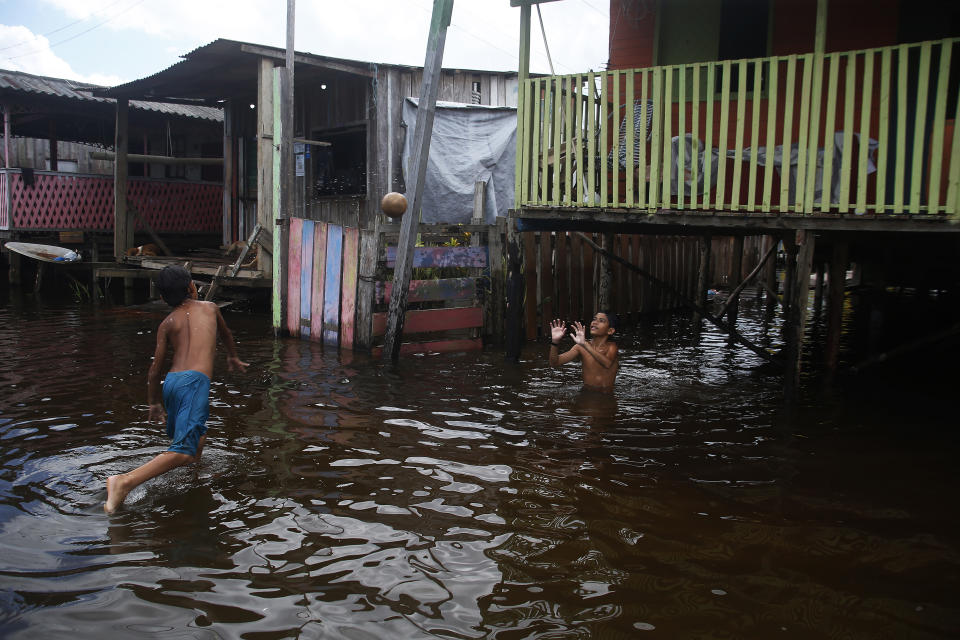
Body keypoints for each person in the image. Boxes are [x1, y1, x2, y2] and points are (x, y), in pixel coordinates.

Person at [105, 265, 248, 513]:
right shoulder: (211, 308)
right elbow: (226, 335)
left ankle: (193, 475)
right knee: (184, 451)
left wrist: (153, 402)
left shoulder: (167, 323)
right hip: (195, 383)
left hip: (172, 383)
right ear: (193, 287)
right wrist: (232, 357)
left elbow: (154, 369)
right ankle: (124, 482)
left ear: (162, 298)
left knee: (197, 432)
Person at [549, 312, 619, 393]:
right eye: (594, 319)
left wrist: (585, 345)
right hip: (587, 393)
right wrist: (555, 342)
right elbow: (554, 363)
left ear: (610, 330)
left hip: (607, 396)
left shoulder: (612, 347)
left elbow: (607, 363)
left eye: (601, 320)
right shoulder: (581, 346)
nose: (595, 322)